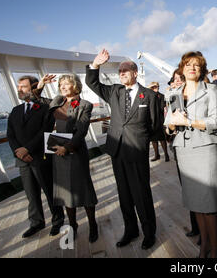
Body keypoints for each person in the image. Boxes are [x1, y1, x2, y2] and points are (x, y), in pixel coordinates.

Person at [86, 50, 159, 250]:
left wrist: (141, 141)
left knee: (141, 193)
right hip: (117, 150)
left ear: (135, 72)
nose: (122, 73)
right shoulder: (114, 92)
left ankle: (149, 232)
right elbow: (93, 84)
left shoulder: (150, 95)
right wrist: (95, 65)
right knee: (124, 194)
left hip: (137, 150)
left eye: (126, 70)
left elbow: (155, 125)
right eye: (120, 71)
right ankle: (131, 230)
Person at [165, 51, 217, 258]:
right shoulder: (173, 93)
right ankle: (204, 244)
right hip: (184, 150)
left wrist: (188, 122)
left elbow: (216, 122)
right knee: (195, 201)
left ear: (202, 69)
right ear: (182, 68)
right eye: (188, 64)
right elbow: (168, 127)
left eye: (196, 65)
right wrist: (172, 124)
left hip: (205, 148)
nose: (192, 68)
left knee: (208, 201)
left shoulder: (211, 90)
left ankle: (215, 248)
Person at [36, 74, 98, 242]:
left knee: (84, 189)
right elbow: (36, 99)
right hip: (59, 153)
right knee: (65, 192)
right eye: (61, 84)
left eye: (66, 84)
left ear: (75, 86)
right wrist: (41, 84)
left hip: (76, 152)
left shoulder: (85, 105)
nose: (62, 86)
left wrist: (67, 147)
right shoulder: (57, 101)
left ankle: (93, 225)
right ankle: (73, 225)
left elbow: (82, 130)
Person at [7, 76, 64, 238]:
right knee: (31, 195)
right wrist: (18, 151)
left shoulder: (45, 108)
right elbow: (10, 134)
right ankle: (36, 222)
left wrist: (27, 149)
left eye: (23, 86)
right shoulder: (15, 110)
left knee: (49, 190)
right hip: (22, 160)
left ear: (32, 89)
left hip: (40, 157)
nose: (19, 89)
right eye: (18, 86)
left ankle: (58, 220)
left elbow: (45, 131)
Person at [148, 82, 170, 162]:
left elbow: (162, 108)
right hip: (151, 121)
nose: (156, 88)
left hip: (160, 121)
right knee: (153, 139)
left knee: (162, 138)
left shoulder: (161, 96)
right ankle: (157, 155)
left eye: (157, 86)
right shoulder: (149, 96)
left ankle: (166, 154)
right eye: (154, 87)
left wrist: (155, 98)